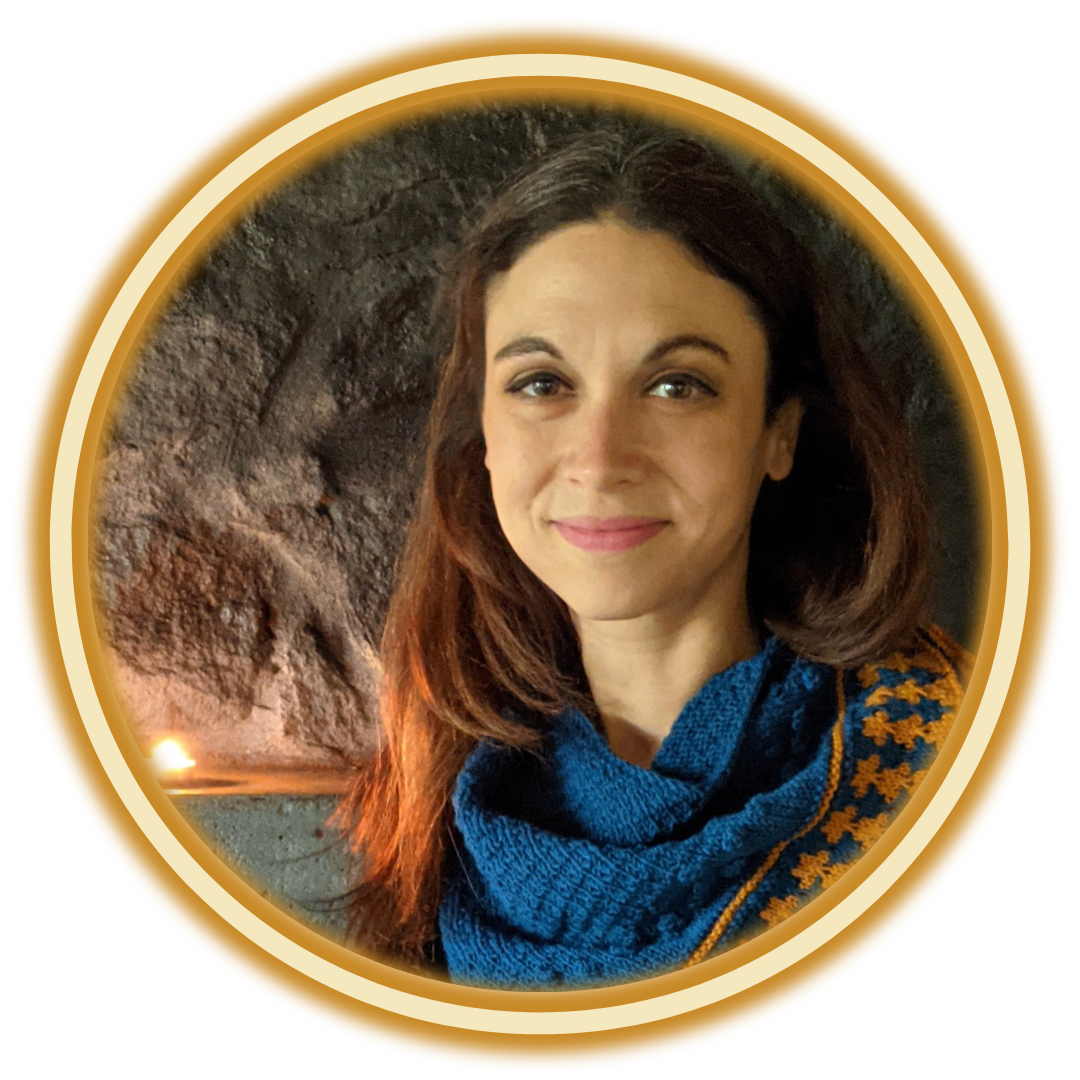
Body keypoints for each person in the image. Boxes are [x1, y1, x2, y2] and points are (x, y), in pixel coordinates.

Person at [334, 130, 971, 990]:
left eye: (677, 385)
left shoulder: (957, 779)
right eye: (541, 384)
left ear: (778, 432)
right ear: (482, 429)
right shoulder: (437, 799)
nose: (600, 460)